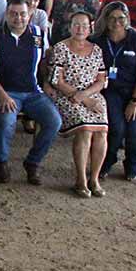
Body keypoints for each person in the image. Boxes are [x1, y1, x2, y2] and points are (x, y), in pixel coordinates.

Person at [0, 0, 60, 184]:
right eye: (14, 14)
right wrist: (2, 95)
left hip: (33, 92)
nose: (19, 18)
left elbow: (44, 65)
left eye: (23, 14)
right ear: (7, 15)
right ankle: (1, 161)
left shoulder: (39, 35)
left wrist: (48, 85)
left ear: (29, 15)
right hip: (6, 91)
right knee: (7, 121)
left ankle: (33, 163)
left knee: (54, 122)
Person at [47, 11, 108, 197]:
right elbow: (56, 80)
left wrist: (87, 95)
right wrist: (80, 97)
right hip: (67, 96)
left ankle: (94, 178)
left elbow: (101, 80)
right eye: (76, 25)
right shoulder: (60, 47)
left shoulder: (97, 50)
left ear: (91, 27)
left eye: (84, 25)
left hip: (92, 95)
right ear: (70, 27)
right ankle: (80, 180)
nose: (80, 29)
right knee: (86, 130)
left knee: (102, 132)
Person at [90, 2, 136, 181]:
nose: (117, 22)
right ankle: (107, 162)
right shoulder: (98, 41)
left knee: (134, 128)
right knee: (116, 127)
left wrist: (134, 101)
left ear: (127, 20)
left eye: (121, 18)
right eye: (112, 18)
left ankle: (132, 165)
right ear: (105, 19)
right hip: (111, 91)